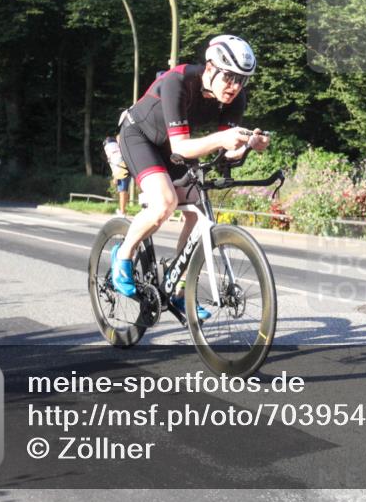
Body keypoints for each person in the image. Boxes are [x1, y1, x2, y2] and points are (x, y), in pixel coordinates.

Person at [111, 35, 270, 319]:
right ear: (210, 68)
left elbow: (227, 153)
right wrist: (224, 137)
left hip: (174, 145)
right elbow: (182, 147)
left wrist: (247, 144)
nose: (235, 87)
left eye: (242, 80)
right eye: (230, 77)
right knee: (164, 204)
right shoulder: (179, 82)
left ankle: (179, 290)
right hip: (139, 136)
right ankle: (123, 254)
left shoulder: (236, 98)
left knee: (198, 212)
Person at [103, 135, 131, 216]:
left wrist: (115, 177)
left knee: (122, 191)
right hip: (124, 169)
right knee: (123, 191)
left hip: (121, 171)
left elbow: (116, 164)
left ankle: (122, 212)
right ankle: (123, 210)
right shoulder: (118, 150)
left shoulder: (114, 152)